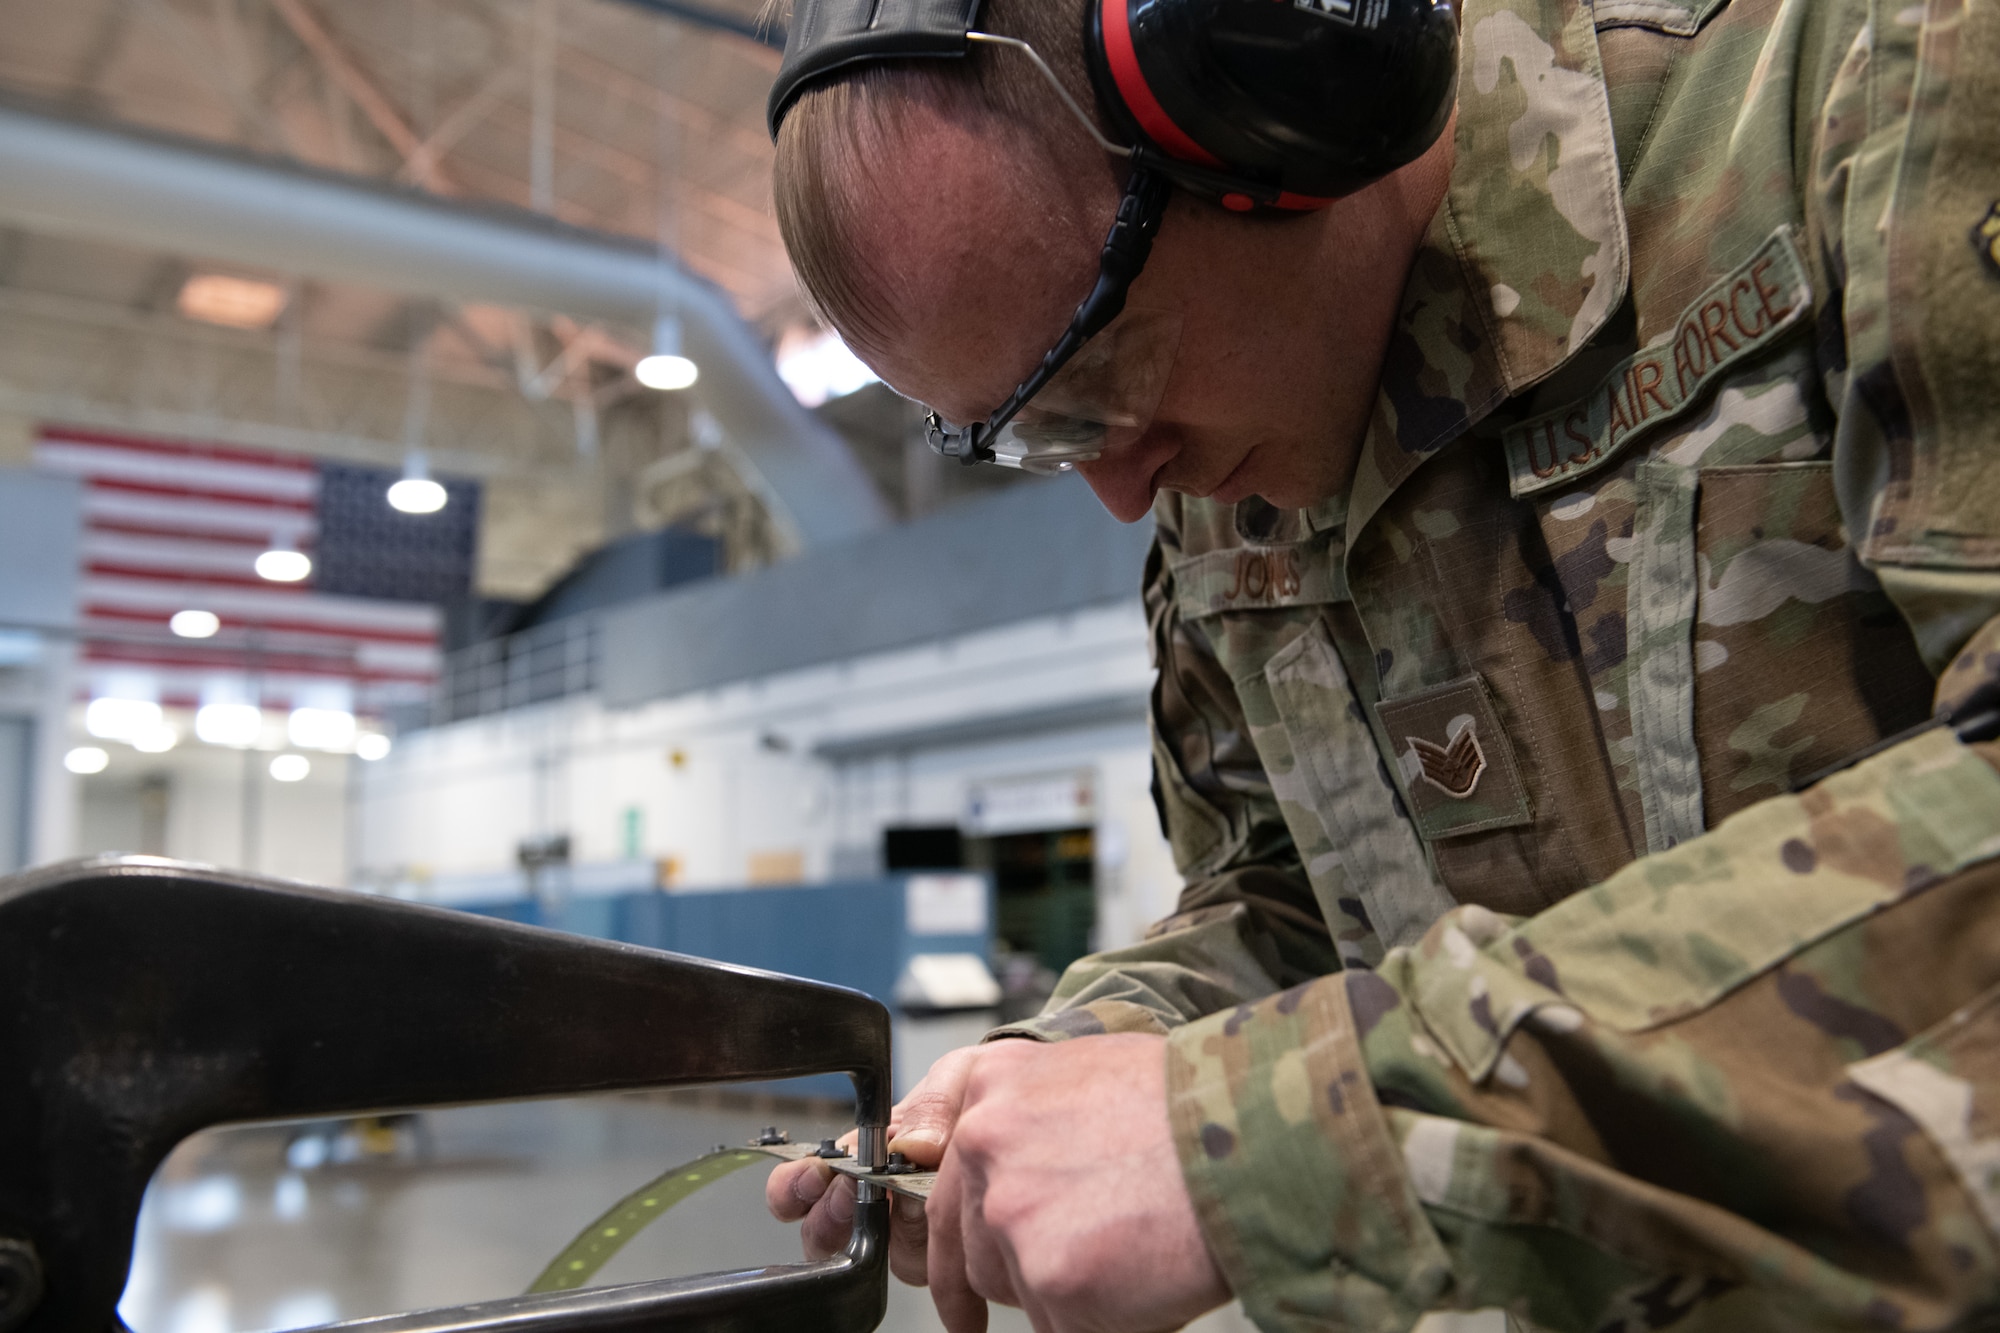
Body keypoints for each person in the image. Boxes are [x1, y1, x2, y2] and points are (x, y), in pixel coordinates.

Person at [760, 0, 2000, 1326]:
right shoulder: (1225, 485)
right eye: (1032, 438)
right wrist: (1099, 1050)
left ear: (1275, 72)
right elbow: (1290, 895)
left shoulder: (1874, 78)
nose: (1121, 490)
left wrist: (1279, 1132)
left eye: (1097, 371)